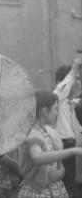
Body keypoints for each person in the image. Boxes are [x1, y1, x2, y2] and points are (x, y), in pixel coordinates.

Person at [18, 89, 82, 198]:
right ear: (44, 111)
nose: (57, 113)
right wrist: (73, 150)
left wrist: (61, 170)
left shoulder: (49, 132)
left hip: (55, 188)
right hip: (38, 191)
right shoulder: (32, 134)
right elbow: (37, 157)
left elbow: (56, 158)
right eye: (56, 109)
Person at [54, 60, 82, 198]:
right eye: (75, 79)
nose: (78, 82)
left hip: (72, 149)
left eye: (78, 79)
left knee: (72, 186)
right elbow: (62, 89)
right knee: (68, 187)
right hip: (63, 146)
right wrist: (74, 69)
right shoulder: (58, 100)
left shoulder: (71, 104)